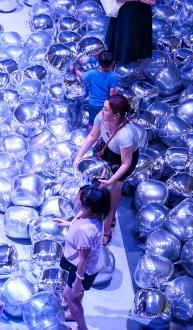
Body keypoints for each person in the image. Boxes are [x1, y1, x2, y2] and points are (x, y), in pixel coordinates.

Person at [73, 94, 140, 245]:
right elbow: (92, 135)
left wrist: (111, 180)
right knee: (98, 185)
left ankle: (108, 227)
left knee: (112, 190)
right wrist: (79, 156)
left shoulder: (126, 135)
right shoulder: (101, 117)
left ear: (116, 115)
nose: (102, 111)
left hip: (121, 159)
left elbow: (126, 163)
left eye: (106, 110)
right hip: (106, 148)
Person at [54, 184, 110, 330]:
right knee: (73, 295)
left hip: (82, 269)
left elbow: (83, 260)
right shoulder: (95, 215)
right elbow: (79, 222)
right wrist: (68, 224)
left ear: (88, 207)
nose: (75, 197)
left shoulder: (84, 231)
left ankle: (82, 327)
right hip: (86, 266)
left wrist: (79, 282)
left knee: (71, 298)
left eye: (79, 197)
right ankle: (73, 314)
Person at [72, 50, 119, 128]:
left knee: (92, 123)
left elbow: (82, 76)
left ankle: (93, 136)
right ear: (112, 64)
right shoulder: (113, 77)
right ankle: (103, 137)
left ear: (99, 63)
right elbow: (112, 93)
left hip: (93, 104)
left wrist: (75, 70)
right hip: (105, 105)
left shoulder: (92, 73)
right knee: (105, 122)